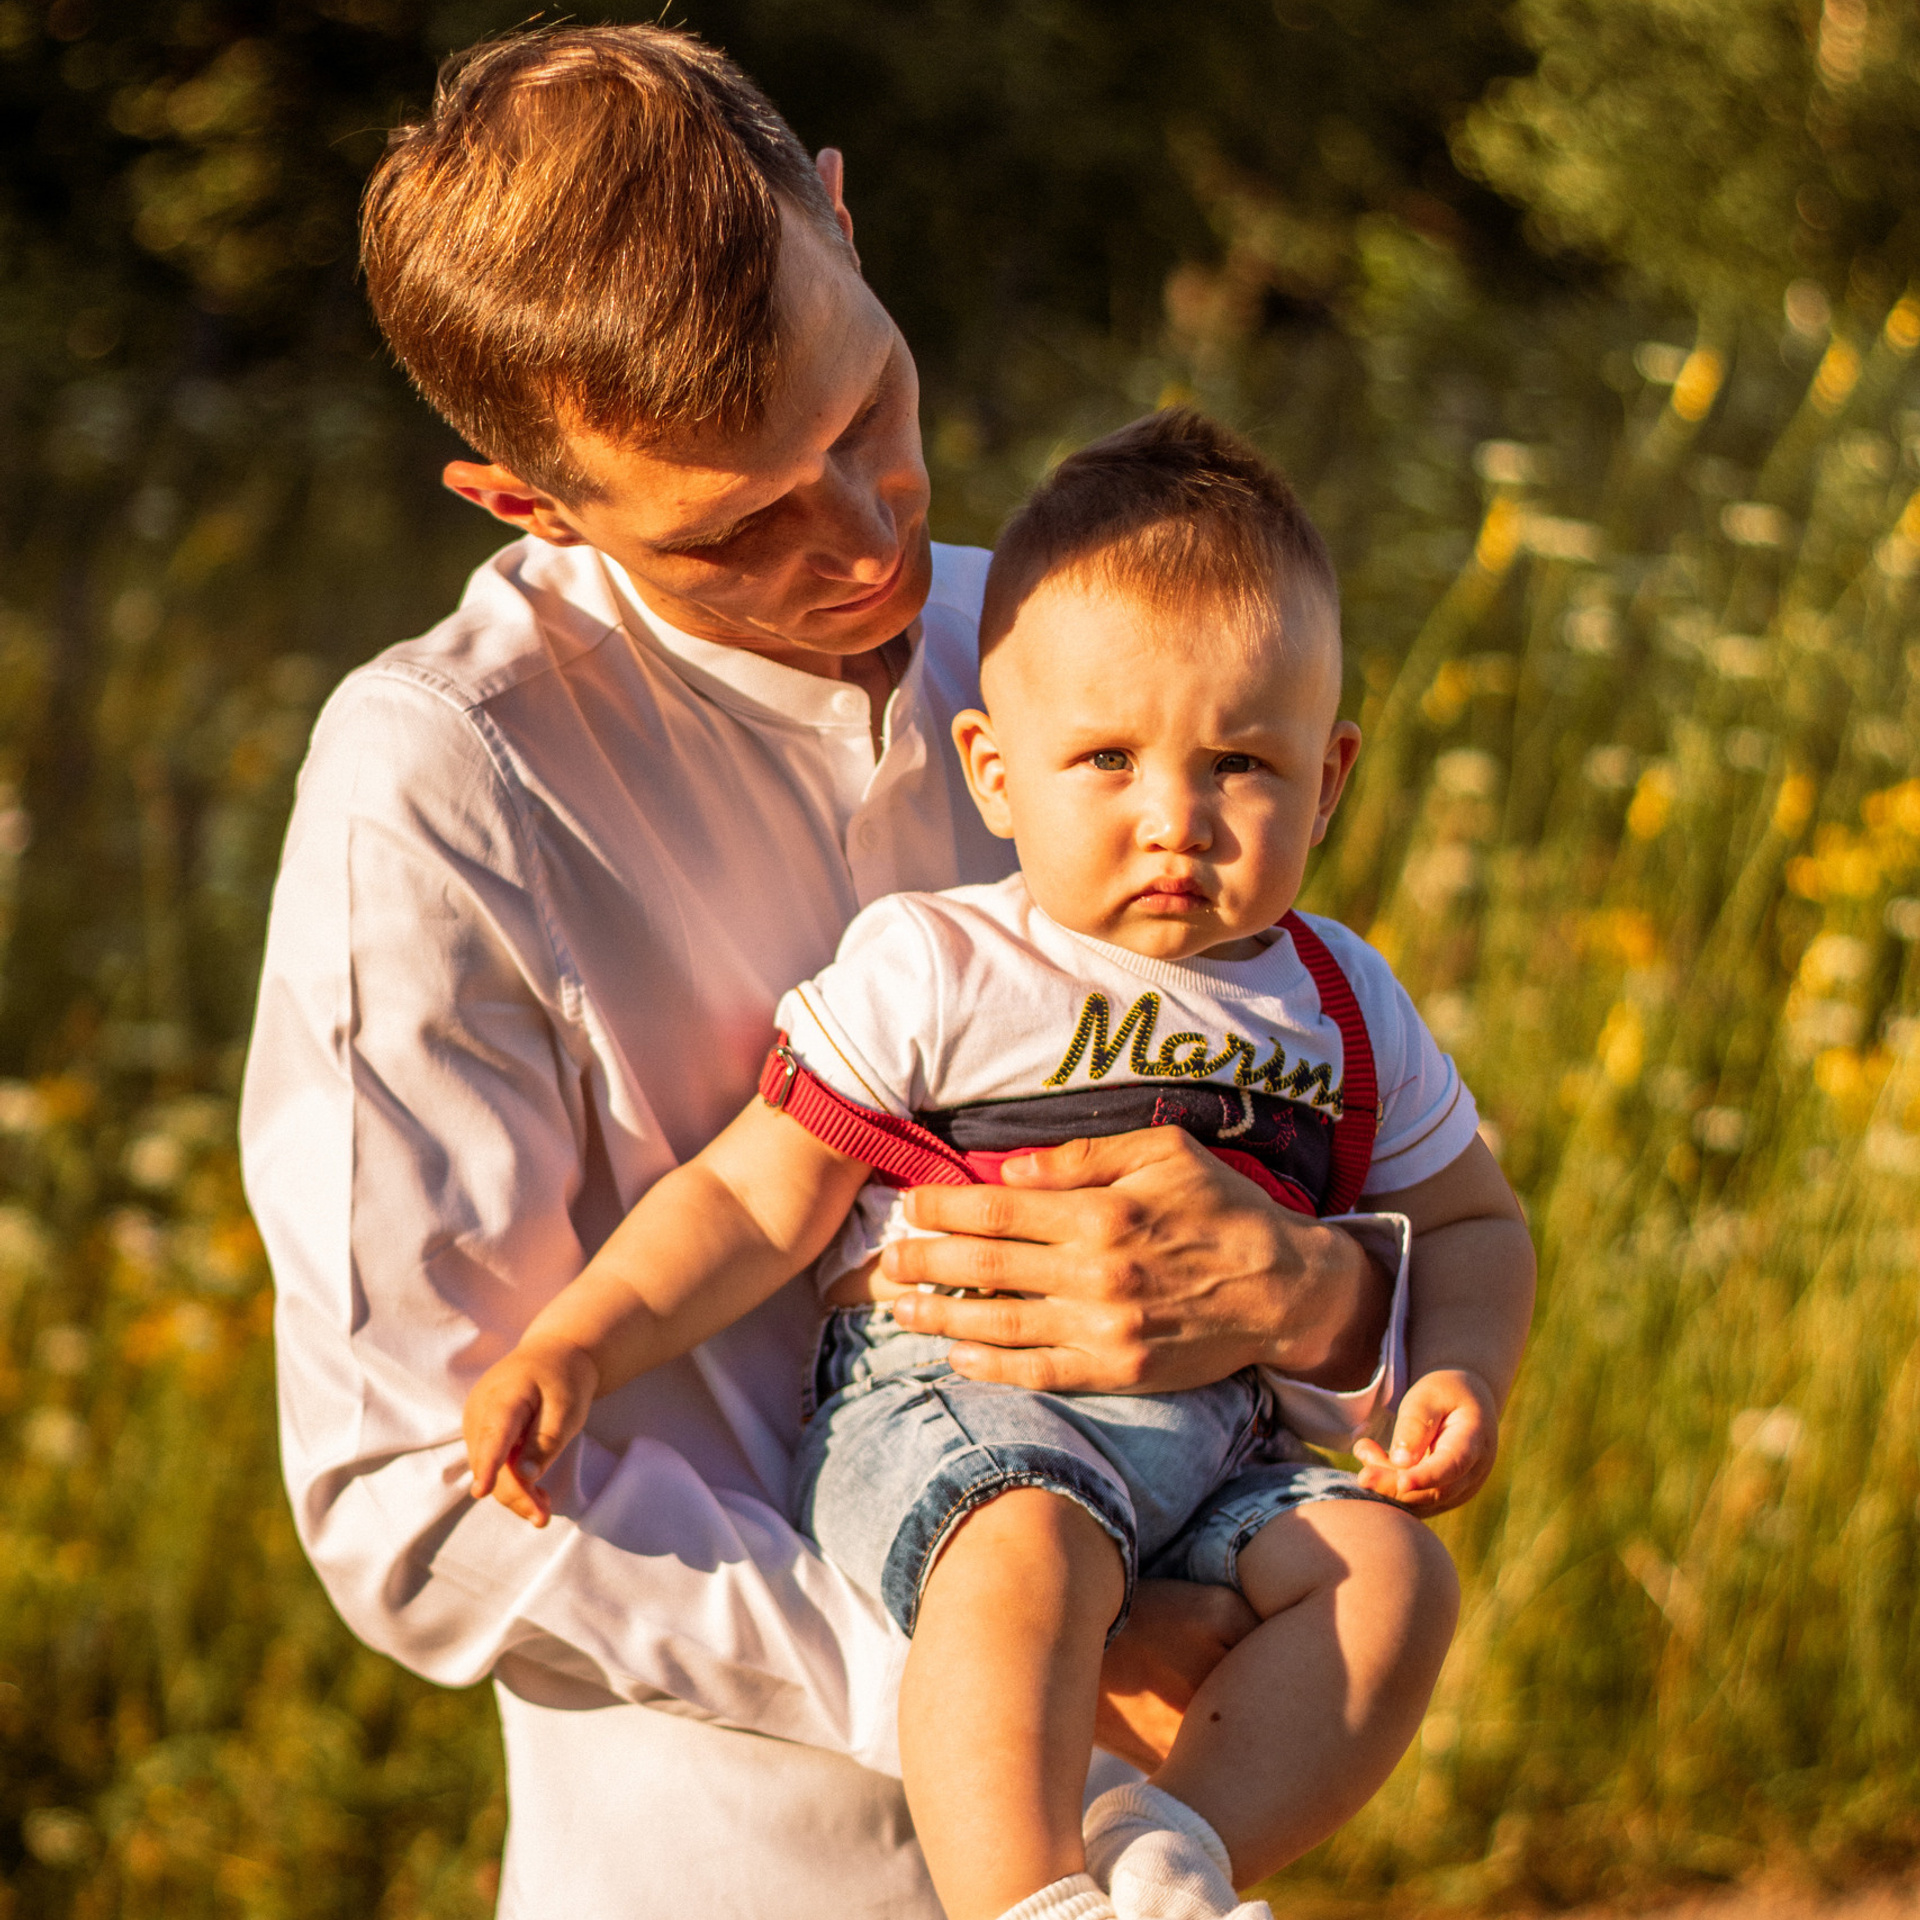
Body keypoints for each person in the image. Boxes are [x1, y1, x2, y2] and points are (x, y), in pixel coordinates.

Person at [240, 25, 1478, 1919]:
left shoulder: (1082, 658)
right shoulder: (442, 783)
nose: (867, 533)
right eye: (738, 525)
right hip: (735, 1871)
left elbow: (1306, 1120)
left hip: (1189, 1838)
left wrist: (1328, 1300)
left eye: (864, 411)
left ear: (840, 212)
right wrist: (1000, 1677)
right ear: (526, 503)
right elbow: (406, 1496)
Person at [461, 410, 1535, 1920]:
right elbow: (753, 1193)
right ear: (993, 771)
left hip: (1227, 1450)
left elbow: (1475, 1221)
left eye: (1241, 763)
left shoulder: (1345, 1002)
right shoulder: (942, 966)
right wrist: (580, 1341)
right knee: (1026, 1551)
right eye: (1107, 760)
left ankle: (1176, 1860)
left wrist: (1461, 1373)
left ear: (1330, 779)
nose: (1175, 822)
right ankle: (1027, 1902)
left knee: (1394, 1582)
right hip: (959, 1411)